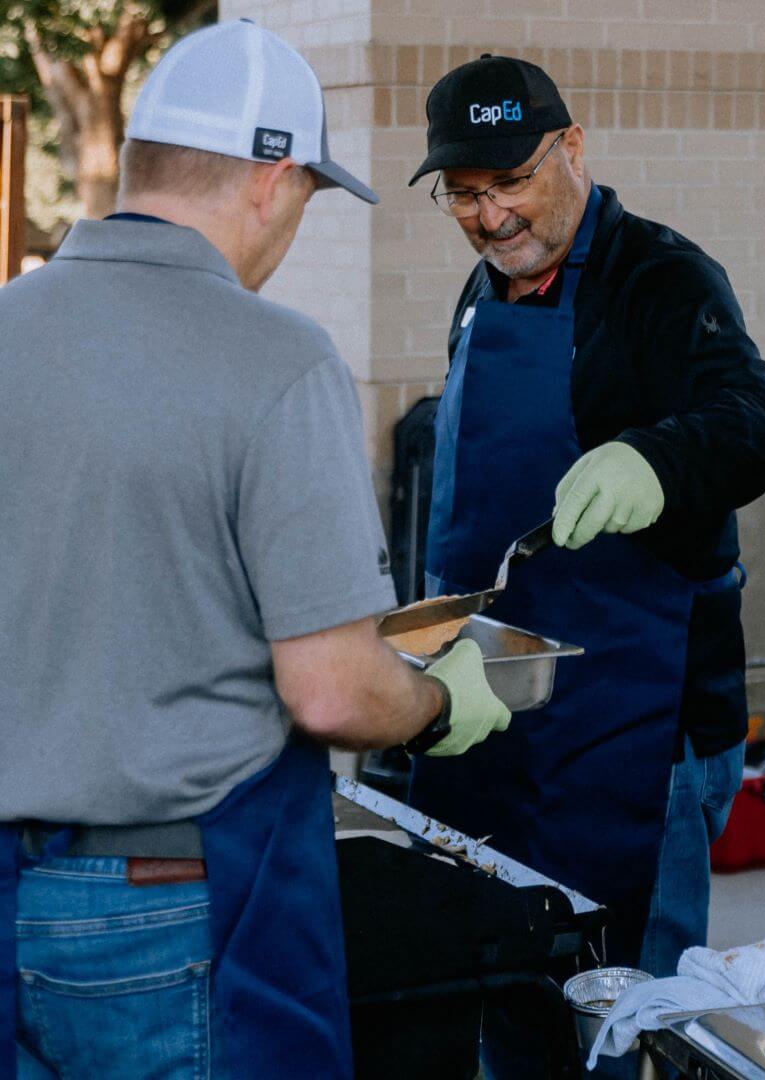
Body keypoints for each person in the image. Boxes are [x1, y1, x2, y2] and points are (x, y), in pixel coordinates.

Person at [0, 21, 510, 1080]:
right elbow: (329, 689)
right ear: (273, 181)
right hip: (175, 914)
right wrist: (442, 701)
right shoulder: (276, 360)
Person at [405, 54, 765, 1075]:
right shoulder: (482, 292)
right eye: (465, 194)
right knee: (515, 1007)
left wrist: (655, 459)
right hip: (498, 716)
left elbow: (755, 422)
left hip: (641, 733)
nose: (491, 219)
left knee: (631, 1023)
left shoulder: (662, 279)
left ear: (571, 148)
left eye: (513, 184)